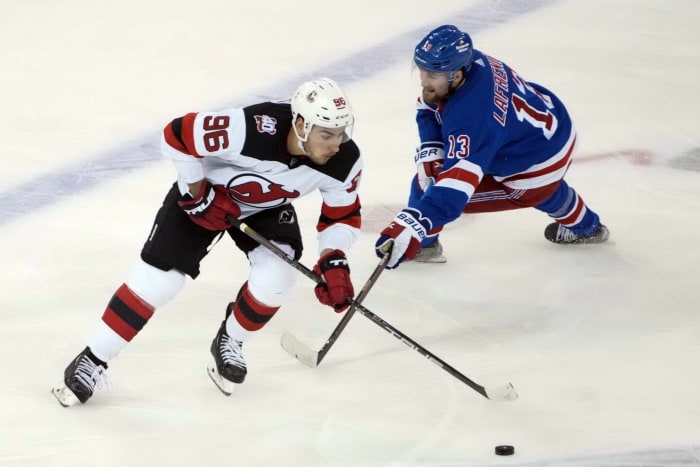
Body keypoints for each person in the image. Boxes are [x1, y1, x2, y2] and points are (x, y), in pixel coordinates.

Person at [53, 77, 363, 406]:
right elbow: (176, 134)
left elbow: (341, 215)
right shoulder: (250, 129)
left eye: (342, 133)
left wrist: (334, 258)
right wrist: (197, 192)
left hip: (265, 206)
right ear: (300, 125)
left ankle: (231, 340)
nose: (336, 144)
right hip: (207, 195)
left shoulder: (344, 160)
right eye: (326, 134)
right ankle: (93, 359)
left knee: (278, 277)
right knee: (158, 283)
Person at [375, 25, 609, 269]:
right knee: (541, 184)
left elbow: (452, 193)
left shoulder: (472, 119)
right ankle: (586, 227)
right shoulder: (473, 61)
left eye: (432, 75)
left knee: (426, 186)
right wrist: (433, 147)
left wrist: (414, 225)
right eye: (421, 70)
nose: (423, 81)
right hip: (551, 130)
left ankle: (424, 246)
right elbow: (428, 107)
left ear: (455, 74)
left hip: (536, 162)